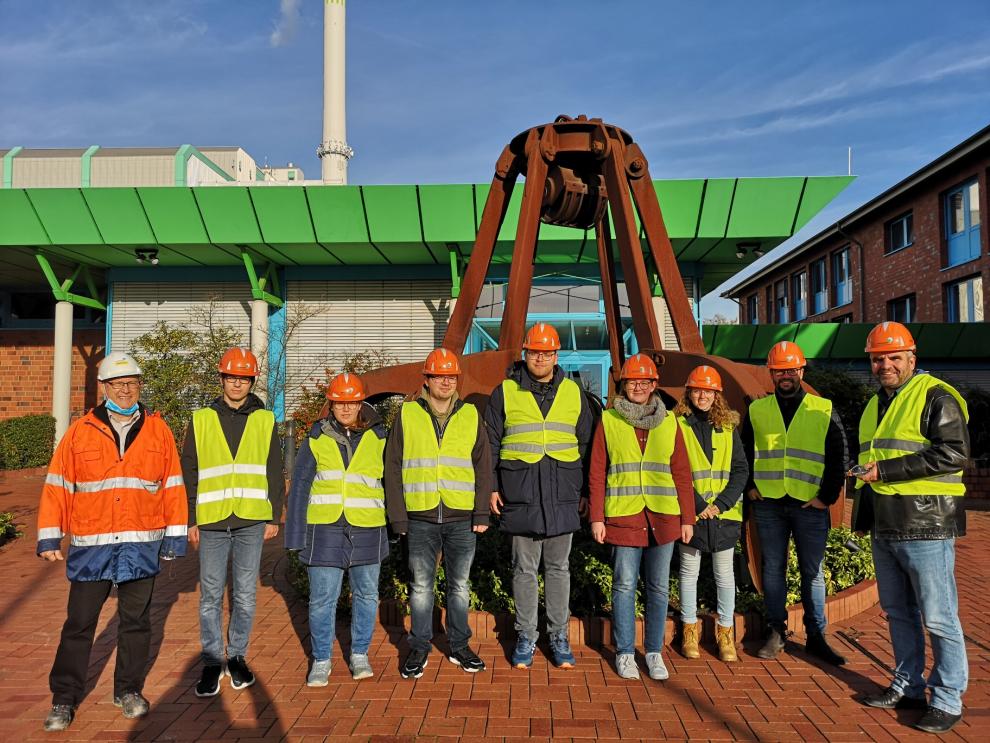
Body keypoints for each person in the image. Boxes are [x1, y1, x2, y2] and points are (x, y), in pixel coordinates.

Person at [37, 352, 188, 732]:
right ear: (103, 388)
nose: (126, 389)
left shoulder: (159, 430)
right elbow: (58, 486)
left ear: (139, 386)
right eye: (118, 384)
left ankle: (128, 690)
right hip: (92, 547)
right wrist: (49, 535)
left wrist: (175, 536)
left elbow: (172, 485)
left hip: (140, 545)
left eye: (132, 382)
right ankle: (64, 698)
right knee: (80, 624)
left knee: (136, 623)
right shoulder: (80, 431)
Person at [852, 322, 969, 734]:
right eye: (878, 358)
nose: (885, 364)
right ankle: (908, 686)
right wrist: (863, 517)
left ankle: (948, 698)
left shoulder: (936, 395)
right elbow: (871, 466)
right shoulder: (876, 404)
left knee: (939, 618)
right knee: (899, 613)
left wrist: (885, 470)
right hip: (887, 525)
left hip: (927, 525)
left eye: (893, 357)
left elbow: (954, 453)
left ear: (911, 358)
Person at [486, 323, 597, 669]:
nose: (540, 358)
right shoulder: (504, 392)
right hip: (520, 494)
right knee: (523, 569)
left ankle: (559, 637)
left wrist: (585, 493)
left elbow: (587, 445)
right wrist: (491, 486)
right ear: (525, 353)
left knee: (559, 568)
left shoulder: (573, 392)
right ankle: (526, 637)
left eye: (547, 352)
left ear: (556, 355)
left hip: (563, 494)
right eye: (535, 352)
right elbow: (489, 443)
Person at [181, 347, 284, 697]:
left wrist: (274, 515)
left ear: (251, 381)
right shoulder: (201, 419)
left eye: (243, 378)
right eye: (231, 377)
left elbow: (273, 469)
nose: (237, 383)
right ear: (222, 379)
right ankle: (212, 661)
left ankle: (237, 656)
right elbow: (189, 471)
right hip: (210, 519)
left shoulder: (265, 419)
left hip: (252, 519)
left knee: (245, 594)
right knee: (210, 595)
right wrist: (190, 518)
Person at [384, 348, 492, 678]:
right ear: (427, 380)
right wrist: (398, 516)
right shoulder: (407, 414)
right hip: (420, 516)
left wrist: (482, 513)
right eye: (438, 376)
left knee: (459, 585)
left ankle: (459, 645)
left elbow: (483, 466)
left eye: (450, 376)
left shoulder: (471, 414)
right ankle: (419, 646)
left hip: (461, 517)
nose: (445, 382)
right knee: (420, 586)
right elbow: (393, 465)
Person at [589, 353, 694, 680]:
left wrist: (687, 518)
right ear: (624, 385)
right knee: (623, 585)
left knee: (659, 587)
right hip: (624, 517)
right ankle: (623, 652)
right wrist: (596, 517)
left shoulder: (670, 421)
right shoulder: (609, 420)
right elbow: (596, 473)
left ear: (653, 386)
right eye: (632, 381)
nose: (638, 386)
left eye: (644, 381)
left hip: (664, 519)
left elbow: (681, 473)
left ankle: (653, 652)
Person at [742, 341, 847, 665]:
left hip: (808, 505)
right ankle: (776, 630)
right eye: (779, 370)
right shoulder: (758, 410)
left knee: (812, 573)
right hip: (770, 503)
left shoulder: (823, 409)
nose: (785, 375)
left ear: (801, 371)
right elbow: (743, 452)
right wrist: (749, 487)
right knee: (773, 569)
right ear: (771, 374)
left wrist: (825, 498)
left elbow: (839, 456)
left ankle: (816, 636)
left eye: (791, 369)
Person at [285, 373, 388, 686]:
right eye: (340, 402)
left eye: (352, 401)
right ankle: (321, 659)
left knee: (367, 595)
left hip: (368, 526)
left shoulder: (379, 435)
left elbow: (391, 480)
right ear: (331, 403)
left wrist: (398, 526)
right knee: (322, 599)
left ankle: (359, 654)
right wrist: (294, 535)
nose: (346, 407)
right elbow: (301, 484)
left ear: (361, 403)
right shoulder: (316, 436)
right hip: (325, 527)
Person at [672, 365, 748, 662]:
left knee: (724, 575)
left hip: (724, 515)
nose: (702, 395)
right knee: (688, 574)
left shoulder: (729, 427)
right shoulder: (677, 425)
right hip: (692, 514)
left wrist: (723, 503)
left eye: (708, 391)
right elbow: (673, 470)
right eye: (697, 390)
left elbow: (741, 469)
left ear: (717, 394)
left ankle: (725, 634)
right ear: (689, 392)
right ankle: (689, 631)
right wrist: (699, 506)